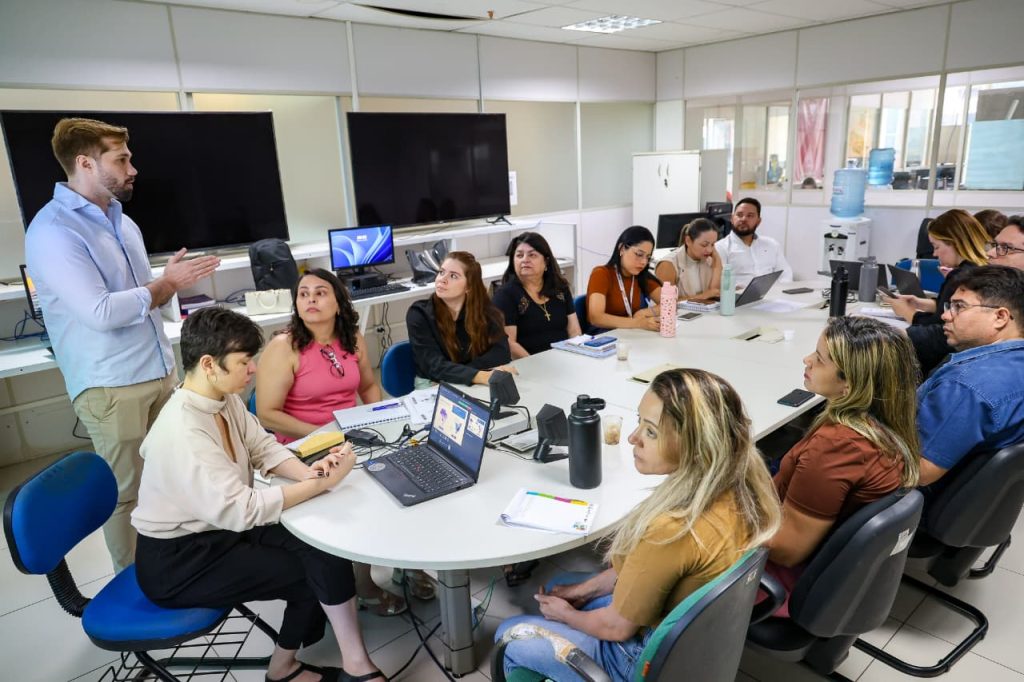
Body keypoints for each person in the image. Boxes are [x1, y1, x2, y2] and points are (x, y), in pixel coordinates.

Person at [132, 307, 384, 682]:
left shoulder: (222, 397)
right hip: (180, 562)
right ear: (209, 364)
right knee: (306, 572)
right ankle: (286, 670)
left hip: (218, 529)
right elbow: (244, 510)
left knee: (322, 549)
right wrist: (320, 485)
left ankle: (351, 662)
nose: (253, 369)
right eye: (244, 361)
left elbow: (262, 447)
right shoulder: (183, 432)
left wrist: (310, 472)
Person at [494, 369, 781, 681]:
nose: (633, 437)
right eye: (640, 422)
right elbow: (648, 569)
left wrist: (568, 615)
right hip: (689, 645)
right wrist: (582, 593)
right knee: (563, 584)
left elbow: (616, 628)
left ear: (696, 444)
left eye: (651, 432)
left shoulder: (672, 528)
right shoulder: (742, 487)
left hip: (632, 657)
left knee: (508, 635)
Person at [24, 118, 220, 573]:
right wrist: (166, 284)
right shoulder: (54, 230)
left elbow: (144, 297)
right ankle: (134, 584)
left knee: (172, 477)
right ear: (85, 163)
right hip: (111, 385)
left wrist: (166, 285)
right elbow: (101, 312)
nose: (133, 169)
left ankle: (178, 568)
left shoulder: (122, 221)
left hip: (157, 370)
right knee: (125, 494)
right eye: (122, 159)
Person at [256, 269, 424, 614]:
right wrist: (324, 435)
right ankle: (363, 583)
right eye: (303, 294)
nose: (311, 299)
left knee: (401, 480)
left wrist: (379, 423)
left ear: (338, 302)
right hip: (303, 447)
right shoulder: (283, 347)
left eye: (320, 292)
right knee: (359, 498)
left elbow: (367, 386)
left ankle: (406, 563)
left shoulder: (352, 338)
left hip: (350, 438)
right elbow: (267, 414)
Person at [764, 316, 921, 615]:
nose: (807, 360)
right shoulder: (884, 422)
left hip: (779, 580)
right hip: (819, 557)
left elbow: (786, 551)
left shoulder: (837, 448)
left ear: (849, 384)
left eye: (819, 359)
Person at [916, 266, 1024, 490]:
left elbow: (921, 471)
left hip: (915, 499)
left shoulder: (965, 386)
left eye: (959, 307)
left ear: (1000, 317)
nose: (945, 315)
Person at [884, 209, 990, 375]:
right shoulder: (982, 270)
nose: (934, 253)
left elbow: (942, 330)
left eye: (936, 247)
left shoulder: (963, 277)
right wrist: (924, 304)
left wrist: (908, 313)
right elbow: (948, 309)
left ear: (955, 243)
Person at [406, 251, 514, 386]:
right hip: (432, 384)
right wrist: (478, 375)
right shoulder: (419, 313)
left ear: (468, 286)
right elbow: (434, 366)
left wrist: (470, 374)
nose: (442, 279)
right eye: (441, 272)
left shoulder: (486, 312)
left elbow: (502, 352)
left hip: (475, 379)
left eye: (453, 276)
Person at [493, 232, 581, 358]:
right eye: (519, 255)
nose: (525, 260)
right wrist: (534, 363)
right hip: (527, 362)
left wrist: (575, 357)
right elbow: (509, 343)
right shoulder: (506, 295)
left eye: (532, 255)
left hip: (564, 358)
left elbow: (574, 331)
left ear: (546, 261)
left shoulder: (560, 288)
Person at [586, 226, 662, 332]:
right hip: (605, 336)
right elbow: (596, 318)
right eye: (639, 254)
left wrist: (643, 313)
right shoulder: (601, 274)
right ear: (622, 249)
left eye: (648, 257)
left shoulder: (641, 275)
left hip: (631, 334)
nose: (644, 262)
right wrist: (639, 323)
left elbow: (670, 304)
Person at [714, 197, 793, 286]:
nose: (743, 219)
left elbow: (785, 274)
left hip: (773, 293)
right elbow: (720, 282)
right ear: (732, 219)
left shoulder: (772, 244)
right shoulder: (721, 247)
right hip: (738, 294)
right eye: (739, 215)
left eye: (750, 215)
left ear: (758, 221)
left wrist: (779, 291)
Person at [653, 218, 723, 301]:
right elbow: (666, 302)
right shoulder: (668, 265)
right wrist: (702, 296)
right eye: (704, 245)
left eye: (712, 244)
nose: (709, 250)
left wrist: (717, 264)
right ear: (688, 240)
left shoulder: (710, 259)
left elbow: (714, 294)